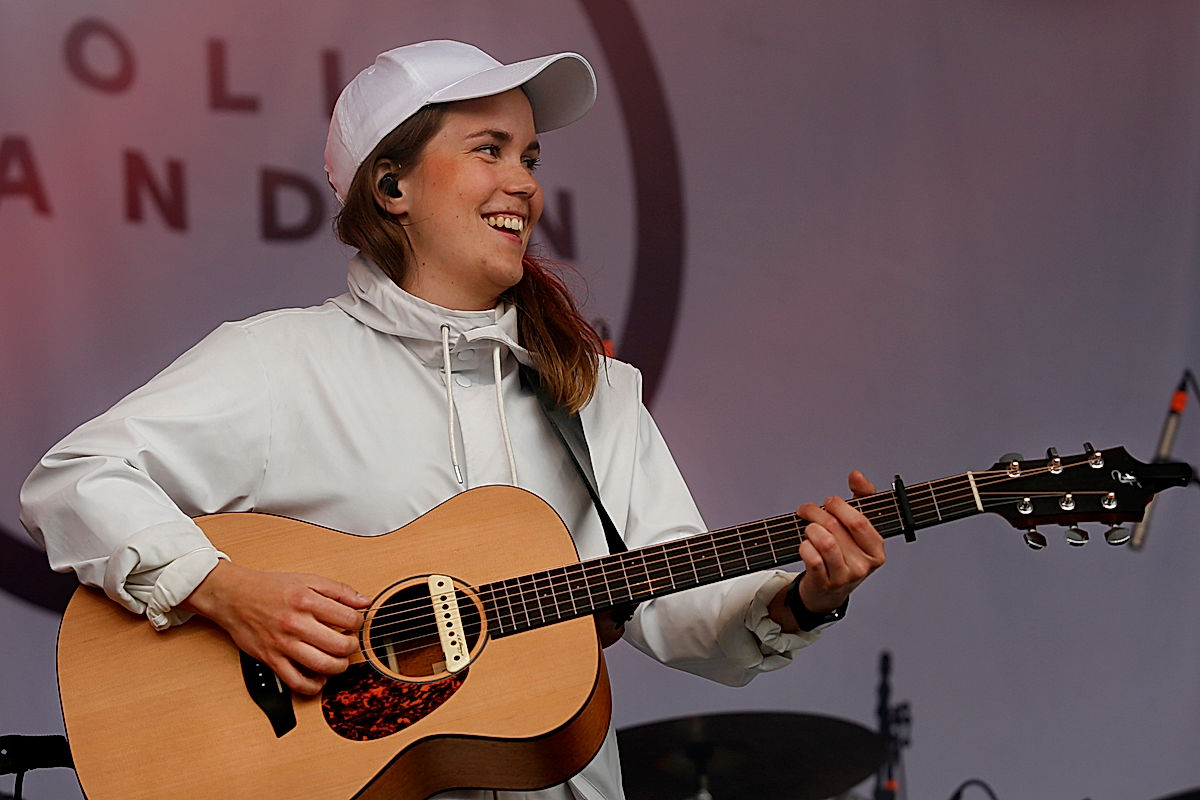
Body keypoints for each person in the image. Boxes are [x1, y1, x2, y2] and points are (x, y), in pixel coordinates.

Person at [19, 40, 885, 799]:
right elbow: (74, 480)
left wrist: (803, 599)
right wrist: (224, 589)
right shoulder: (279, 363)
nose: (525, 183)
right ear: (391, 185)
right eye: (489, 149)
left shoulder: (595, 392)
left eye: (531, 156)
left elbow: (676, 608)